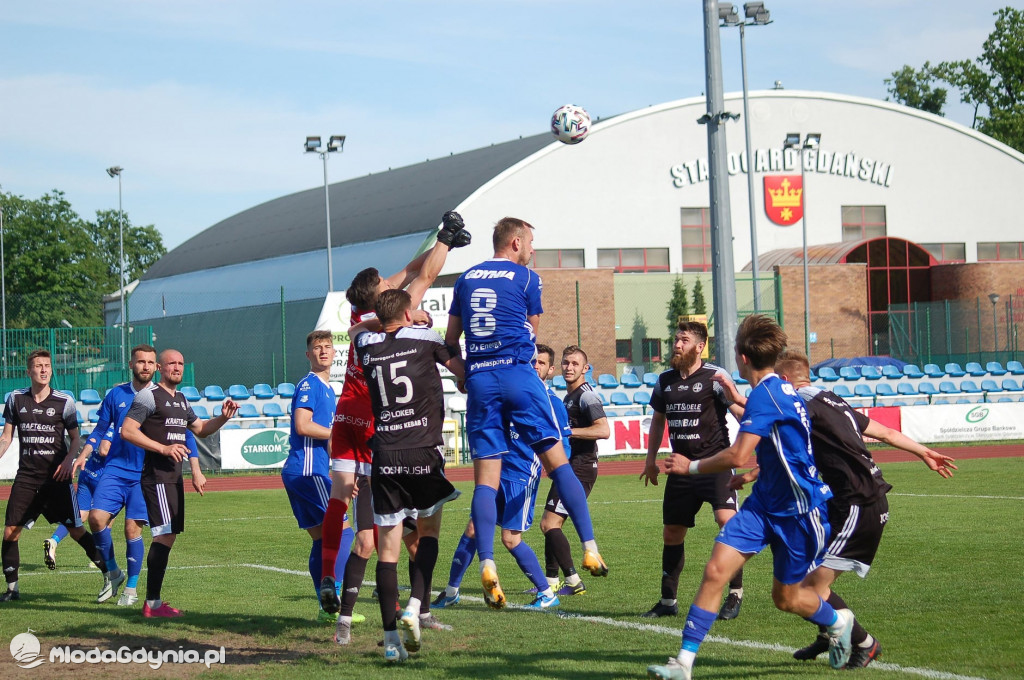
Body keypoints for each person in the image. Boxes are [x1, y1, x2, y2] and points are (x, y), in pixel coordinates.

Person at [646, 315, 855, 680]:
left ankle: (839, 622)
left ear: (742, 359)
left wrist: (690, 468)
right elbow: (784, 449)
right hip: (763, 506)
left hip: (799, 513)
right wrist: (754, 476)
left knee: (787, 599)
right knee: (715, 570)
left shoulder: (768, 395)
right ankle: (682, 663)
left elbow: (738, 454)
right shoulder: (773, 392)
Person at [723, 349, 956, 669]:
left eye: (776, 380)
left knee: (808, 589)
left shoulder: (800, 403)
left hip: (859, 506)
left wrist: (731, 398)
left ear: (786, 380)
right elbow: (883, 433)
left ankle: (864, 643)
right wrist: (923, 451)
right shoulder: (832, 400)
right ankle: (827, 634)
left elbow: (764, 419)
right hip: (844, 502)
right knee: (802, 576)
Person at [445, 216, 607, 610]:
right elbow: (531, 332)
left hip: (481, 380)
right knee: (559, 462)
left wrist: (466, 373)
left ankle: (486, 563)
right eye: (531, 242)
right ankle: (589, 546)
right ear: (516, 243)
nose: (533, 249)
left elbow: (451, 342)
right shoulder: (526, 278)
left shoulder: (465, 278)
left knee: (485, 479)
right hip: (517, 374)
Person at [321, 211, 470, 634]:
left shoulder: (361, 329)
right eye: (386, 285)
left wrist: (444, 240)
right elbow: (419, 278)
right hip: (383, 429)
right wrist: (444, 242)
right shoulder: (400, 330)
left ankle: (345, 594)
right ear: (382, 300)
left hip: (351, 420)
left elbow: (409, 271)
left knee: (359, 515)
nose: (394, 282)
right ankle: (415, 609)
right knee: (404, 534)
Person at [352, 288, 464, 662]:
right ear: (406, 311)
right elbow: (459, 371)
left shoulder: (366, 344)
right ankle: (416, 605)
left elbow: (356, 331)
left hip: (384, 453)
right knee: (429, 531)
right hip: (423, 449)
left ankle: (389, 643)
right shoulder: (426, 337)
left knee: (388, 550)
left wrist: (390, 317)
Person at [434, 343, 570, 610]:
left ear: (548, 369)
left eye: (540, 363)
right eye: (532, 362)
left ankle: (546, 593)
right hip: (496, 471)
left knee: (510, 539)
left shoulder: (550, 402)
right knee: (473, 529)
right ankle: (451, 591)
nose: (534, 367)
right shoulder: (510, 390)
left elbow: (561, 446)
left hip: (521, 475)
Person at [639, 322, 746, 620]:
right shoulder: (664, 381)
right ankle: (667, 601)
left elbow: (740, 412)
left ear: (700, 346)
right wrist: (650, 460)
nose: (677, 344)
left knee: (728, 523)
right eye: (675, 339)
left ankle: (734, 594)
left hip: (716, 465)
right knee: (672, 532)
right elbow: (658, 421)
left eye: (684, 340)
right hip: (680, 468)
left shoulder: (716, 377)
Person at [120, 349, 237, 618]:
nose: (177, 367)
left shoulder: (182, 400)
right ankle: (152, 604)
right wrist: (162, 449)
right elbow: (127, 430)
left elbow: (201, 429)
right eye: (172, 363)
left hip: (173, 479)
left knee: (168, 537)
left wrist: (223, 418)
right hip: (157, 478)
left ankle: (153, 602)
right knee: (163, 535)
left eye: (181, 363)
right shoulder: (148, 396)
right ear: (160, 367)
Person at [0, 350, 110, 602]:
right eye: (38, 366)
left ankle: (109, 572)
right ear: (29, 371)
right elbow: (6, 437)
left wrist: (69, 458)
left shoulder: (64, 401)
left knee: (76, 531)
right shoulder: (15, 399)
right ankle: (12, 589)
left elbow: (75, 439)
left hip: (58, 480)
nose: (43, 370)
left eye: (47, 366)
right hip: (27, 478)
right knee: (10, 533)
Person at [280, 329, 366, 625]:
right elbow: (303, 426)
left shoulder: (330, 390)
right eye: (317, 348)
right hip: (307, 471)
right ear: (309, 354)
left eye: (328, 347)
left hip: (307, 471)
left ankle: (324, 607)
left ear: (334, 353)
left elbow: (331, 443)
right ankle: (336, 598)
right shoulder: (310, 384)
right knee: (343, 532)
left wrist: (347, 472)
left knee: (321, 540)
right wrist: (337, 434)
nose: (323, 351)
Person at [68, 344, 160, 607]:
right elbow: (100, 429)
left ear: (156, 367)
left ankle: (130, 589)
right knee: (96, 519)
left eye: (150, 362)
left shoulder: (160, 397)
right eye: (140, 361)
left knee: (132, 528)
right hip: (115, 470)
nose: (145, 366)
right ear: (131, 364)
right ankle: (113, 572)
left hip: (144, 474)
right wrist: (84, 453)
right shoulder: (115, 394)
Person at [539, 345, 609, 597]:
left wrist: (567, 432)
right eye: (566, 363)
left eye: (575, 364)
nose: (570, 367)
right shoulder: (568, 396)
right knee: (549, 524)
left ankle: (573, 581)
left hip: (581, 467)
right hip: (569, 466)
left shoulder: (586, 396)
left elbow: (603, 430)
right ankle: (551, 581)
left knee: (549, 524)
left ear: (585, 369)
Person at [43, 426, 114, 572]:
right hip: (102, 476)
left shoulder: (103, 425)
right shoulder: (116, 427)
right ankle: (100, 557)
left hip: (87, 472)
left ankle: (54, 541)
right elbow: (104, 450)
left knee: (79, 516)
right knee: (106, 518)